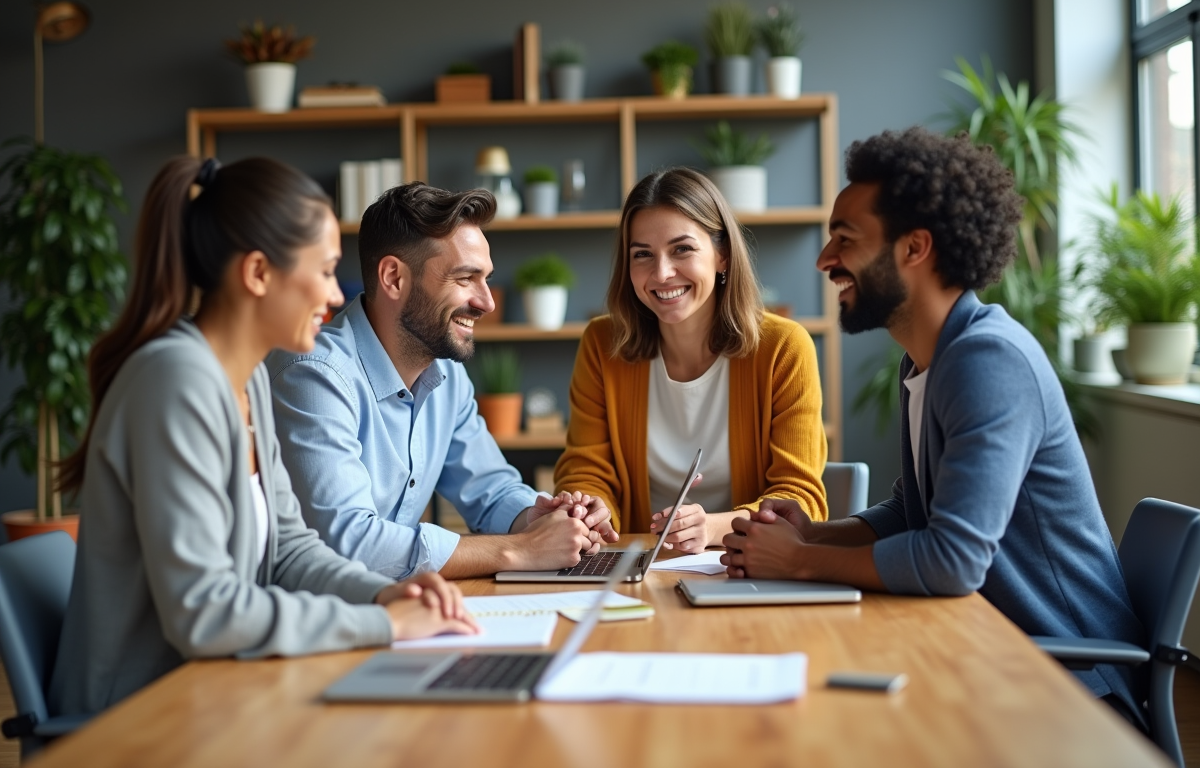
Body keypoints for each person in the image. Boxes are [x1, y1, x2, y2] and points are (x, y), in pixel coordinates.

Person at [721, 127, 1145, 721]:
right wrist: (812, 532)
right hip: (984, 648)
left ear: (914, 248)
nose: (824, 260)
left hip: (1072, 683)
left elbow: (951, 559)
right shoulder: (926, 361)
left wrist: (796, 562)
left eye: (845, 239)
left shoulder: (987, 360)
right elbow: (911, 515)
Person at [49, 157, 477, 717]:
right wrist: (381, 622)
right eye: (323, 271)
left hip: (218, 693)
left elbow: (290, 552)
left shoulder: (247, 377)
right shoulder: (175, 382)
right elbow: (203, 612)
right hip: (136, 721)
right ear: (257, 274)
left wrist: (383, 592)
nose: (334, 296)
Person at [267, 182, 617, 580]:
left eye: (485, 278)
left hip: (400, 610)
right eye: (466, 278)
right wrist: (520, 550)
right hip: (319, 623)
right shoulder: (314, 376)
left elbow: (491, 492)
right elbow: (349, 544)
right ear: (394, 278)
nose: (487, 302)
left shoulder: (446, 376)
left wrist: (539, 517)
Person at [553, 167, 828, 553]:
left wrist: (714, 528)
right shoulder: (602, 344)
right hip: (638, 566)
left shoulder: (783, 348)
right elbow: (586, 467)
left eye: (682, 249)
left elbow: (801, 499)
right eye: (642, 255)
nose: (662, 273)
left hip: (749, 564)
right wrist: (590, 508)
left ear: (722, 256)